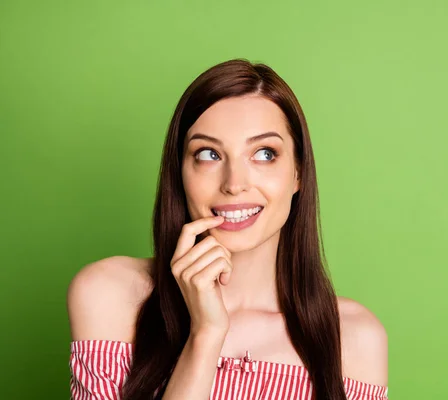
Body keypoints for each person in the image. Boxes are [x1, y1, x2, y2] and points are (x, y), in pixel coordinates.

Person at [67, 58, 389, 400]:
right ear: (180, 173)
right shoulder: (110, 295)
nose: (234, 184)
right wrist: (206, 335)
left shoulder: (354, 338)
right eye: (208, 154)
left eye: (265, 154)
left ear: (298, 173)